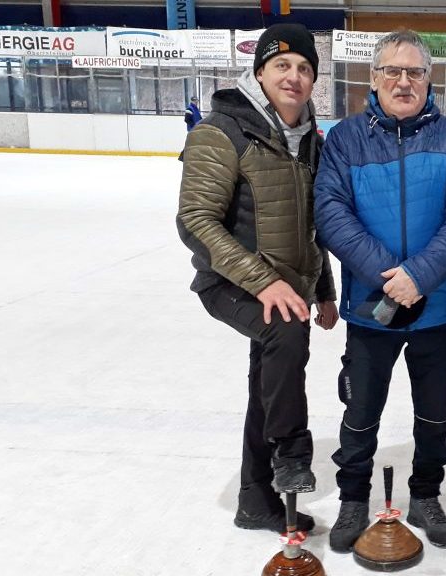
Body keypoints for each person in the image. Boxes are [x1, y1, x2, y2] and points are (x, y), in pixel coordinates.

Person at [313, 29, 446, 553]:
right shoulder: (345, 139)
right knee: (360, 410)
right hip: (372, 309)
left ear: (429, 79)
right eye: (393, 71)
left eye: (414, 72)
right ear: (374, 78)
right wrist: (392, 275)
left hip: (435, 308)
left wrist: (420, 277)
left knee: (434, 413)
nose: (403, 81)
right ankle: (352, 499)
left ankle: (426, 495)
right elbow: (331, 214)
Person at [176, 23, 339, 535]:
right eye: (282, 65)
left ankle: (256, 499)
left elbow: (312, 226)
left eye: (305, 68)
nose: (295, 76)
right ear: (260, 71)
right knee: (285, 332)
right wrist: (263, 283)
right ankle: (291, 451)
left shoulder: (311, 140)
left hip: (290, 282)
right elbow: (195, 220)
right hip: (228, 281)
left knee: (267, 384)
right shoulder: (221, 132)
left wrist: (325, 291)